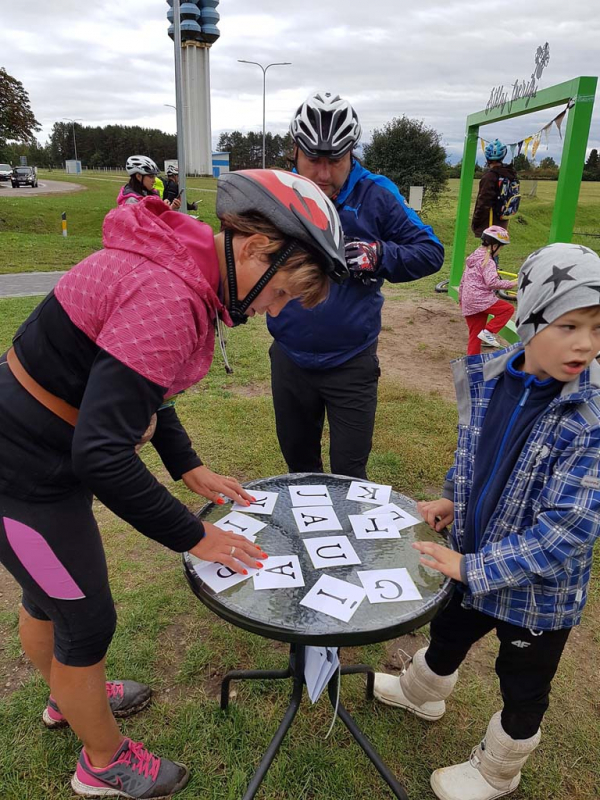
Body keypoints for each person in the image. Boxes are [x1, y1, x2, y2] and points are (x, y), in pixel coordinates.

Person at [0, 169, 347, 799]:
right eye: (282, 295)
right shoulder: (169, 295)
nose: (276, 311)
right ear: (253, 249)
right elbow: (103, 454)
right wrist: (194, 536)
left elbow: (139, 389)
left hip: (35, 447)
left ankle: (67, 695)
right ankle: (101, 761)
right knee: (84, 619)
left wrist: (186, 464)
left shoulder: (180, 264)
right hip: (22, 469)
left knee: (48, 597)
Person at [373, 242, 600, 800]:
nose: (587, 344)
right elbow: (473, 455)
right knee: (448, 631)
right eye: (569, 325)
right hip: (470, 560)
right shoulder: (492, 378)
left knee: (523, 682)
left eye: (598, 327)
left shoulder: (592, 417)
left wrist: (471, 566)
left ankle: (500, 770)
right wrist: (453, 499)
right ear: (527, 320)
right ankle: (422, 692)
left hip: (536, 594)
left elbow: (566, 530)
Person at [267, 91, 444, 479]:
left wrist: (378, 254)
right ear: (295, 152)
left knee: (349, 475)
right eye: (314, 160)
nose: (324, 174)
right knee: (300, 472)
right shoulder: (277, 193)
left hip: (351, 361)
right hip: (290, 357)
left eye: (336, 161)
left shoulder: (376, 194)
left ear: (353, 153)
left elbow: (430, 251)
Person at [459, 225, 517, 353]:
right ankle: (489, 331)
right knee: (508, 309)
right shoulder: (488, 261)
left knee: (475, 336)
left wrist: (461, 300)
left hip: (469, 300)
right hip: (481, 299)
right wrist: (512, 283)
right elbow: (492, 282)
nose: (500, 251)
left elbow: (463, 279)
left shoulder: (473, 257)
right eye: (501, 248)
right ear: (494, 246)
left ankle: (472, 367)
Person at [471, 139, 519, 237]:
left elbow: (483, 202)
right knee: (496, 247)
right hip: (503, 219)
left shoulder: (490, 177)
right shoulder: (510, 174)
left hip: (490, 221)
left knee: (488, 250)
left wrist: (476, 222)